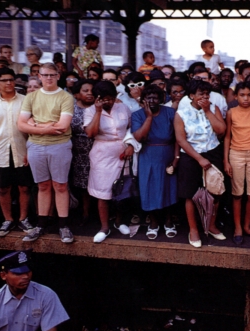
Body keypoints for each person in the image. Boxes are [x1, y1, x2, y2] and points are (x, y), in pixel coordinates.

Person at [18, 63, 75, 243]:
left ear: (58, 76)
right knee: (42, 186)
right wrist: (46, 128)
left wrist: (35, 125)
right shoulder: (31, 97)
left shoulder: (66, 97)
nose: (48, 78)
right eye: (45, 75)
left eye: (52, 74)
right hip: (35, 146)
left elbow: (63, 126)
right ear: (39, 76)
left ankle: (63, 226)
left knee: (60, 186)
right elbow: (20, 124)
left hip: (60, 145)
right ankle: (41, 225)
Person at [0, 68, 34, 238]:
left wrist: (30, 149)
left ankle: (23, 218)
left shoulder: (26, 101)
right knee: (3, 188)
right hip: (0, 151)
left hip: (23, 149)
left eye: (11, 79)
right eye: (4, 80)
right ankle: (8, 219)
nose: (9, 83)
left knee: (24, 187)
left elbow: (32, 128)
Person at [174, 79, 227, 247]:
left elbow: (221, 130)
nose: (204, 97)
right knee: (191, 194)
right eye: (200, 94)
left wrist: (207, 111)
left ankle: (211, 225)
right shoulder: (181, 113)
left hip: (213, 151)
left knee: (215, 191)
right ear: (191, 95)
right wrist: (199, 158)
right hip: (191, 155)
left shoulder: (213, 108)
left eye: (207, 94)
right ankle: (194, 229)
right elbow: (181, 140)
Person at [84, 81, 134, 243]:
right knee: (103, 192)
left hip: (123, 152)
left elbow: (131, 129)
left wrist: (131, 145)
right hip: (102, 154)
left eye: (110, 98)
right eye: (104, 99)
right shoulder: (90, 111)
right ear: (97, 98)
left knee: (122, 190)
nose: (108, 102)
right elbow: (90, 133)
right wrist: (98, 111)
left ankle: (120, 222)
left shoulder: (123, 107)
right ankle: (104, 227)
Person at [132, 85, 179, 239]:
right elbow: (138, 137)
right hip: (148, 155)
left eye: (155, 97)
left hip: (167, 153)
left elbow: (179, 137)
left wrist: (176, 158)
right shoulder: (138, 115)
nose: (151, 100)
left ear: (161, 99)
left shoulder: (170, 113)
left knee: (169, 189)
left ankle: (168, 221)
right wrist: (149, 117)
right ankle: (153, 223)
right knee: (149, 189)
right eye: (148, 97)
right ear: (143, 99)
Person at [224, 82, 250, 244]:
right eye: (242, 95)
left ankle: (247, 226)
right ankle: (237, 227)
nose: (245, 98)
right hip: (236, 154)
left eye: (249, 95)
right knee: (237, 194)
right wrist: (226, 160)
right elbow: (227, 137)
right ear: (235, 96)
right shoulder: (231, 112)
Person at [69, 79, 96, 225]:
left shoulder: (99, 107)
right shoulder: (71, 107)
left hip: (96, 148)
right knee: (79, 183)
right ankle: (82, 213)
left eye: (92, 90)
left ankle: (91, 213)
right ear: (78, 93)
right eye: (85, 91)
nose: (89, 94)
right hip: (76, 150)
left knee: (94, 181)